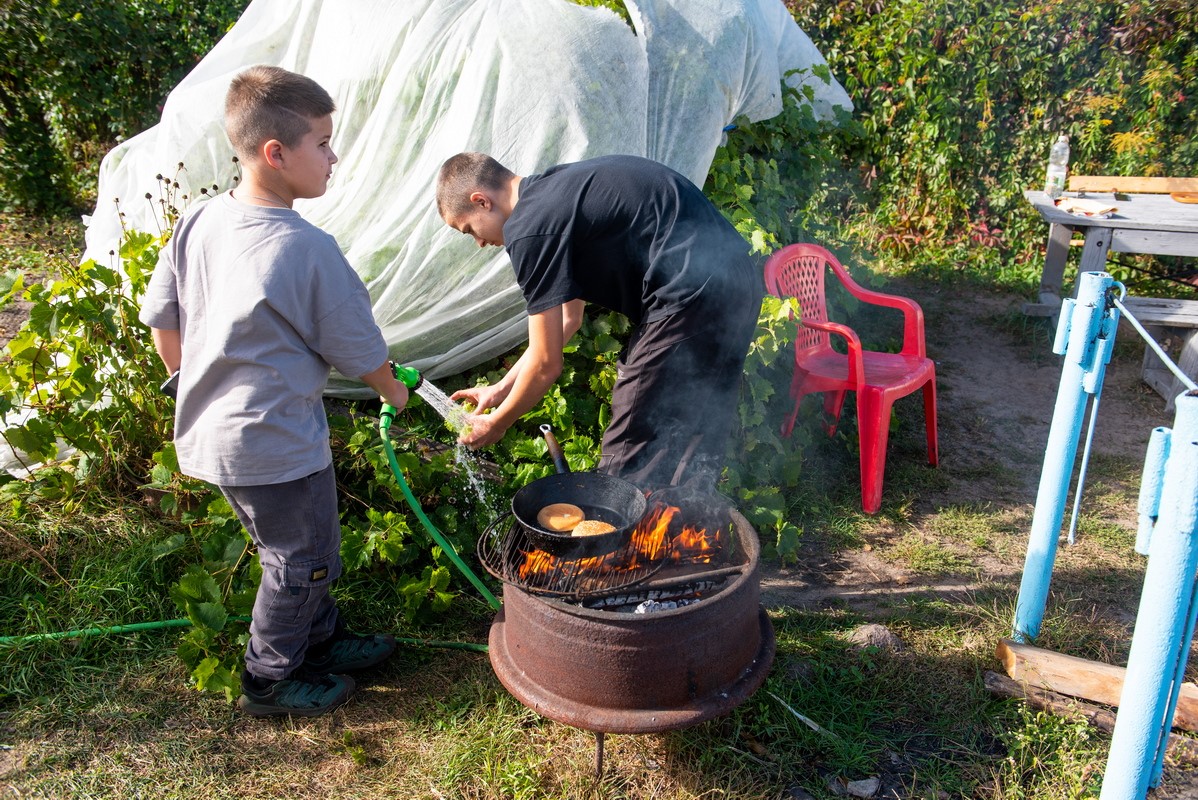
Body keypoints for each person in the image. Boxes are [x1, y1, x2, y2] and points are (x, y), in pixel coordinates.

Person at [140, 65, 410, 718]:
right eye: (322, 142)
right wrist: (393, 392)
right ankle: (270, 676)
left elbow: (162, 319)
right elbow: (360, 349)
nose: (333, 156)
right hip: (275, 442)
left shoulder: (201, 219)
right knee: (302, 561)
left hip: (219, 435)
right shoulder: (306, 248)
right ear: (275, 153)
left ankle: (319, 638)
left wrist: (194, 388)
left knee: (299, 547)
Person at [436, 152, 763, 492]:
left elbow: (547, 365)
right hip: (737, 279)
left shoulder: (529, 228)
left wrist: (499, 424)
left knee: (632, 440)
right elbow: (568, 320)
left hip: (689, 294)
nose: (478, 242)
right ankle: (684, 524)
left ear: (481, 201)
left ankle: (615, 538)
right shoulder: (557, 195)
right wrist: (500, 389)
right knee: (697, 418)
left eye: (469, 229)